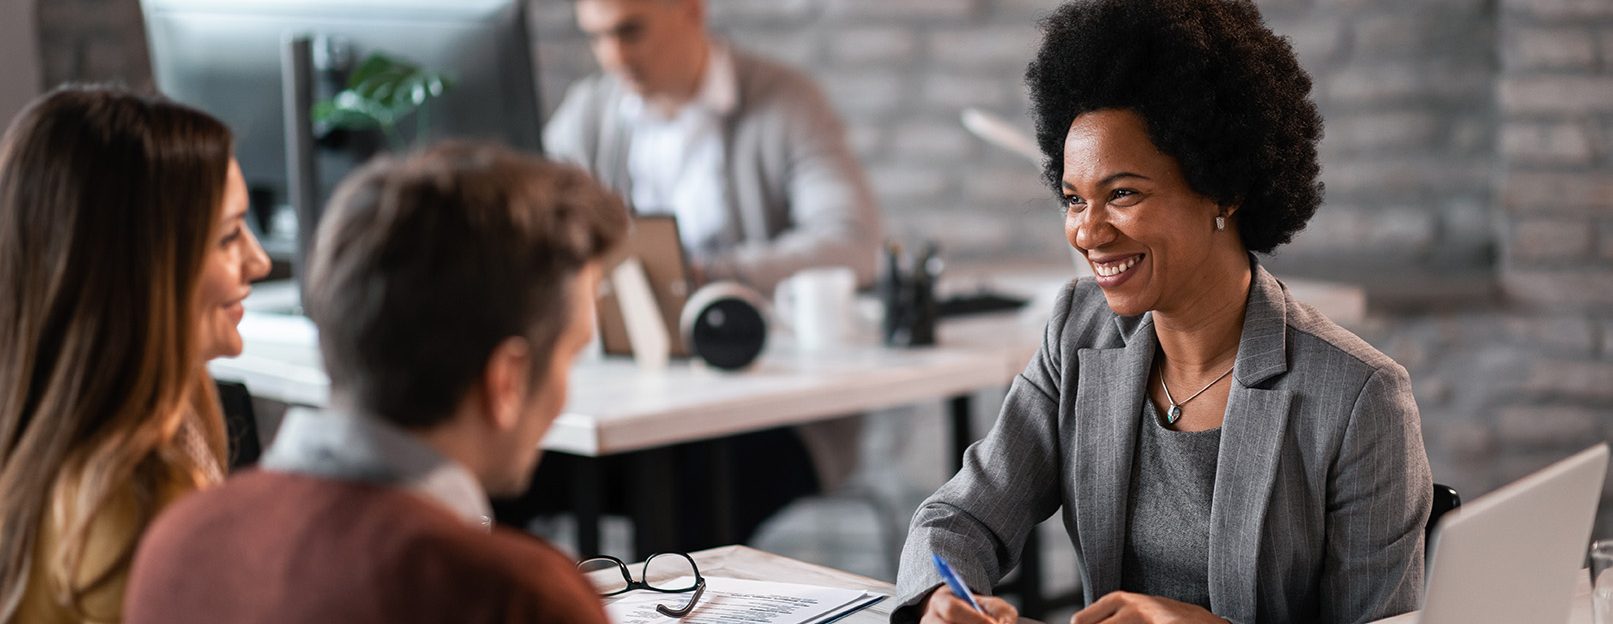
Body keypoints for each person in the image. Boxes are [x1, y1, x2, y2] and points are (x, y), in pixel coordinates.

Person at [894, 1, 1432, 623]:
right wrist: (942, 597)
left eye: (1122, 194)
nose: (1087, 233)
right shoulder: (1079, 332)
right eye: (1074, 199)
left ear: (1222, 189)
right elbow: (963, 514)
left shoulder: (1360, 397)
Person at [123, 142, 628, 623]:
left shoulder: (177, 544)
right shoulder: (513, 597)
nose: (566, 393)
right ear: (507, 380)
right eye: (571, 354)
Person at [504, 0, 882, 549]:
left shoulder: (784, 101)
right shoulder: (588, 113)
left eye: (631, 32)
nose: (615, 57)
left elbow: (851, 243)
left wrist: (699, 276)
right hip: (632, 396)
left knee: (688, 511)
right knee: (501, 477)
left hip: (767, 410)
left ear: (691, 10)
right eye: (598, 37)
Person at [0, 85, 270, 624]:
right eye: (228, 237)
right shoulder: (137, 502)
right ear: (138, 273)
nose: (258, 262)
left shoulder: (74, 462)